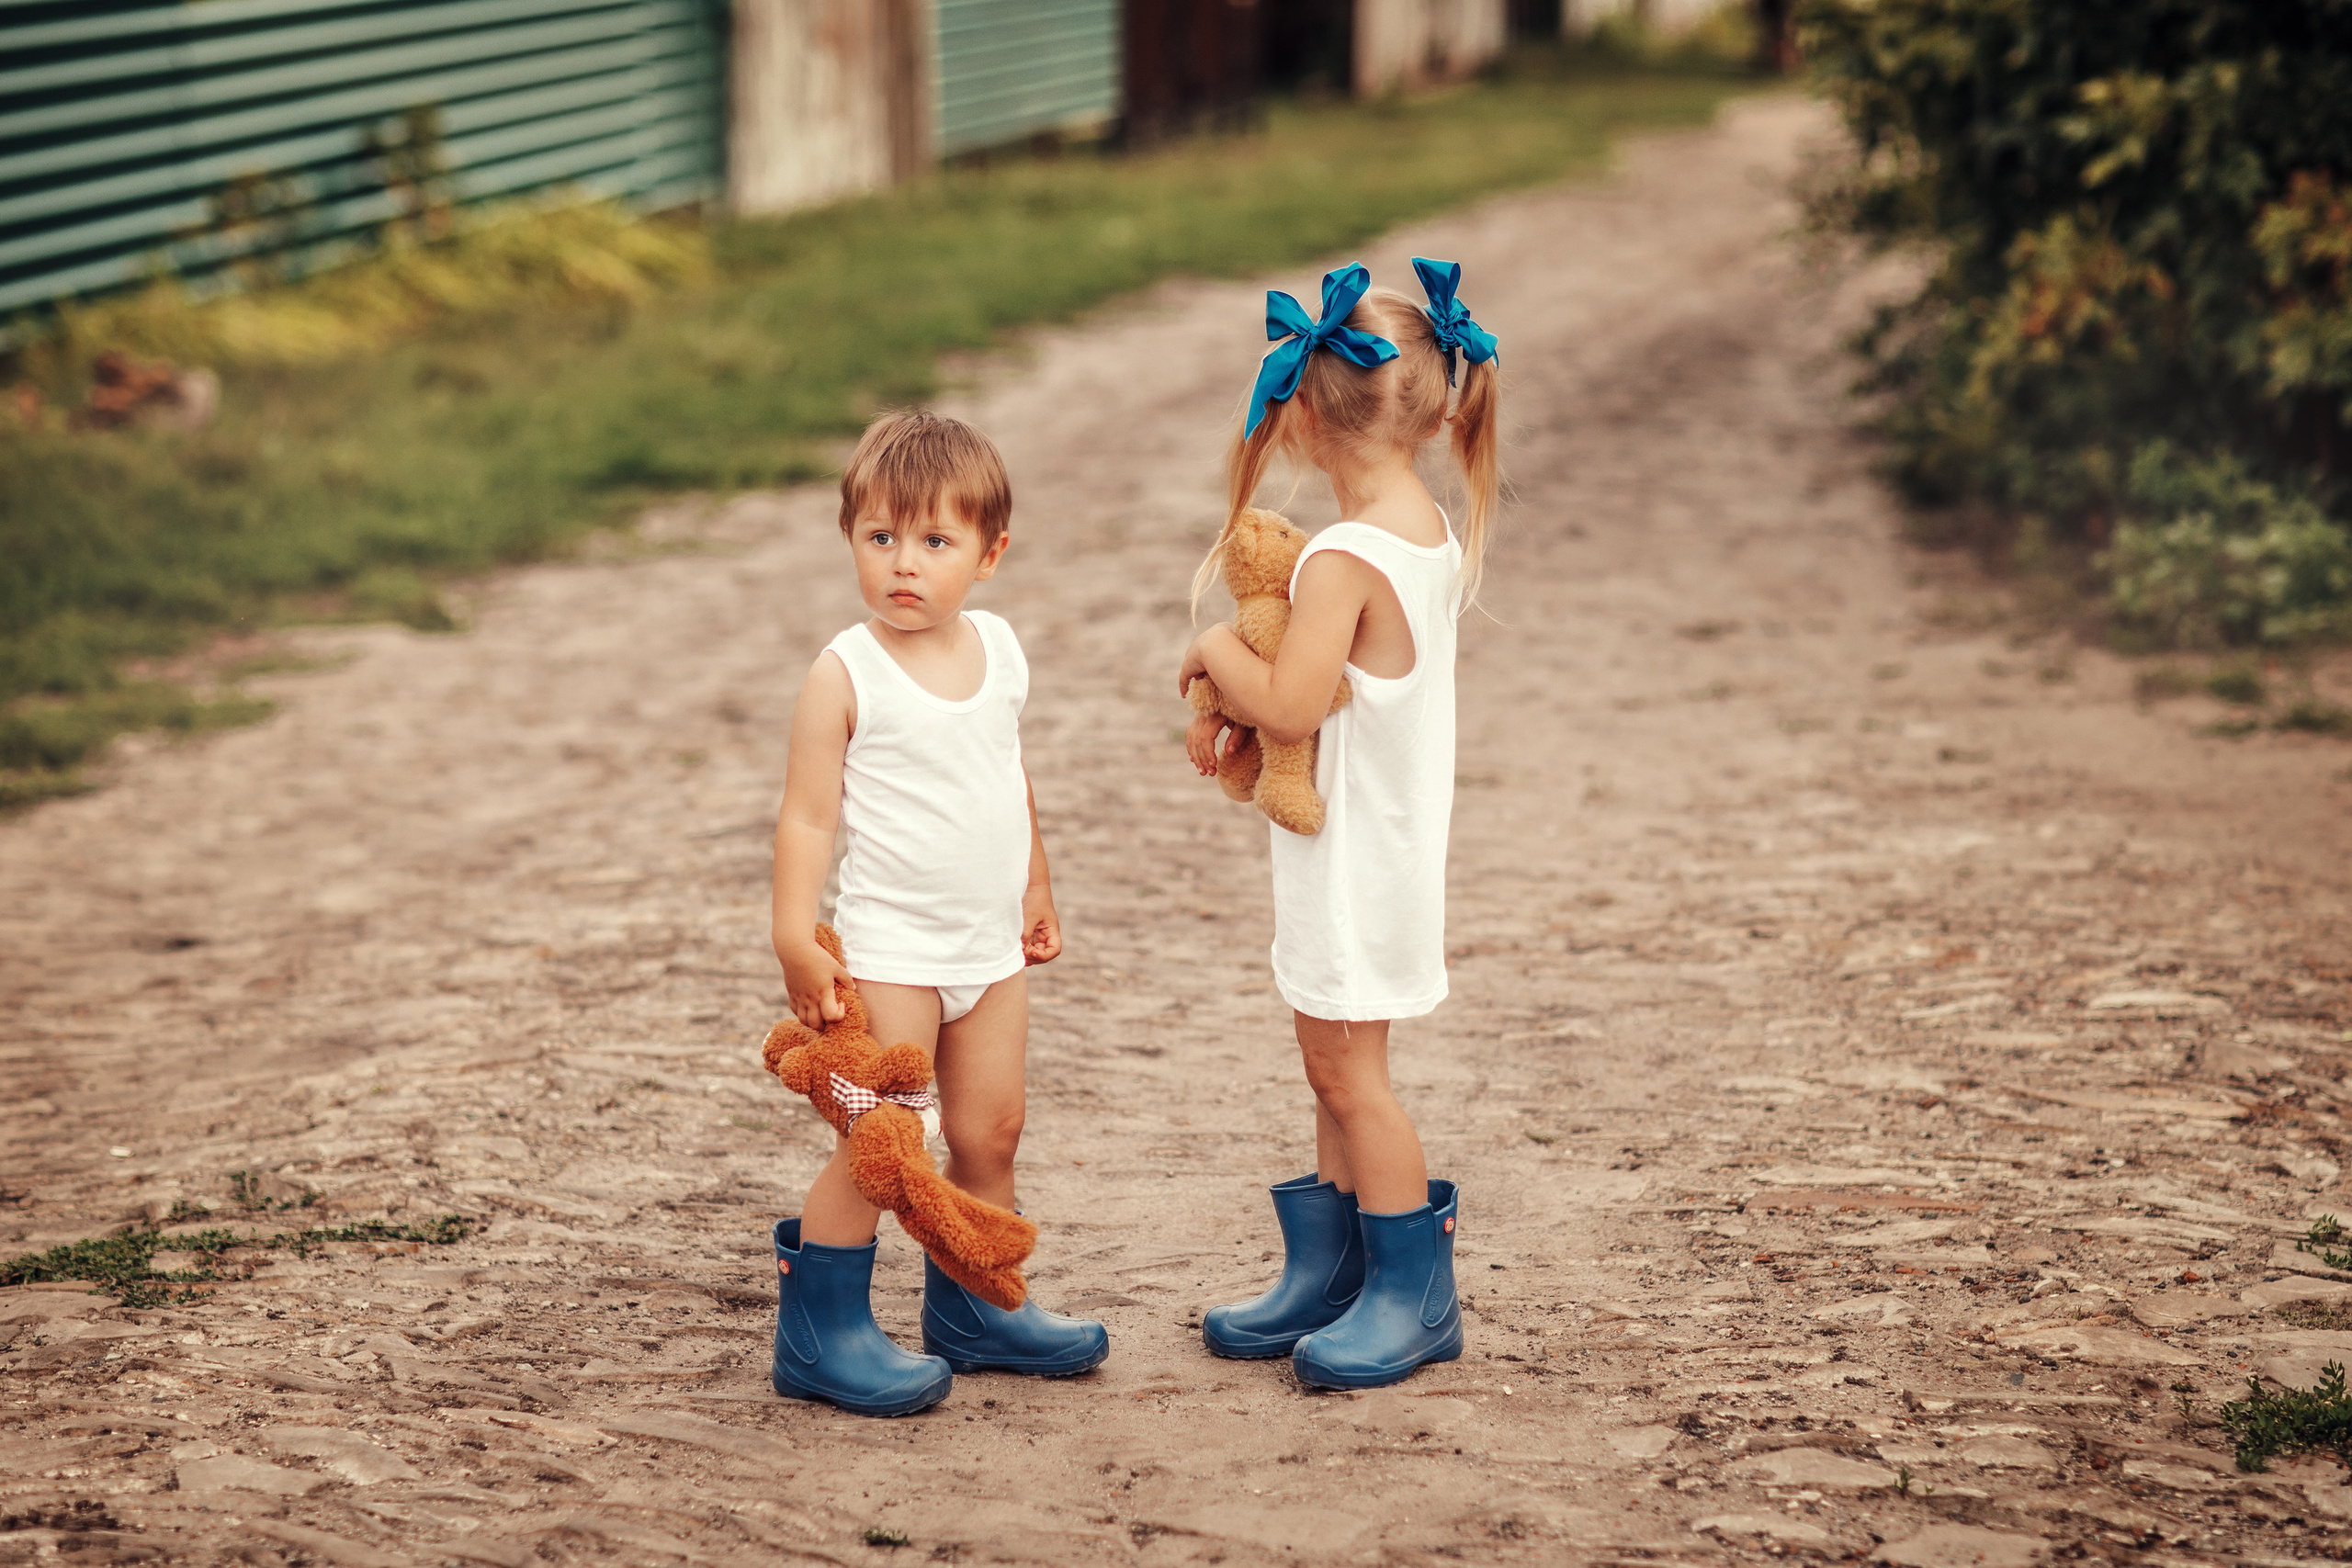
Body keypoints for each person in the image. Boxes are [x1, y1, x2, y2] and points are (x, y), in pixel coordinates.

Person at [1177, 259, 1498, 1389]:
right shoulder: (1419, 529)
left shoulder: (1342, 558)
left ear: (1305, 416)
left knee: (1351, 1078)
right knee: (1332, 1069)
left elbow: (1291, 705)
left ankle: (1412, 1297)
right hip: (1377, 847)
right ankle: (1331, 1277)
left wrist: (1214, 653)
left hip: (1358, 860)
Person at [768, 411, 1108, 1417]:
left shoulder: (1000, 652)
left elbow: (1008, 778)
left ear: (989, 554)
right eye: (880, 539)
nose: (903, 565)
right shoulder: (845, 673)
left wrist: (1036, 883)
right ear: (851, 541)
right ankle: (821, 1333)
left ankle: (974, 1310)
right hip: (892, 954)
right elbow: (805, 817)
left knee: (991, 1129)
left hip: (988, 949)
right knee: (885, 1140)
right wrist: (794, 932)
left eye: (934, 542)